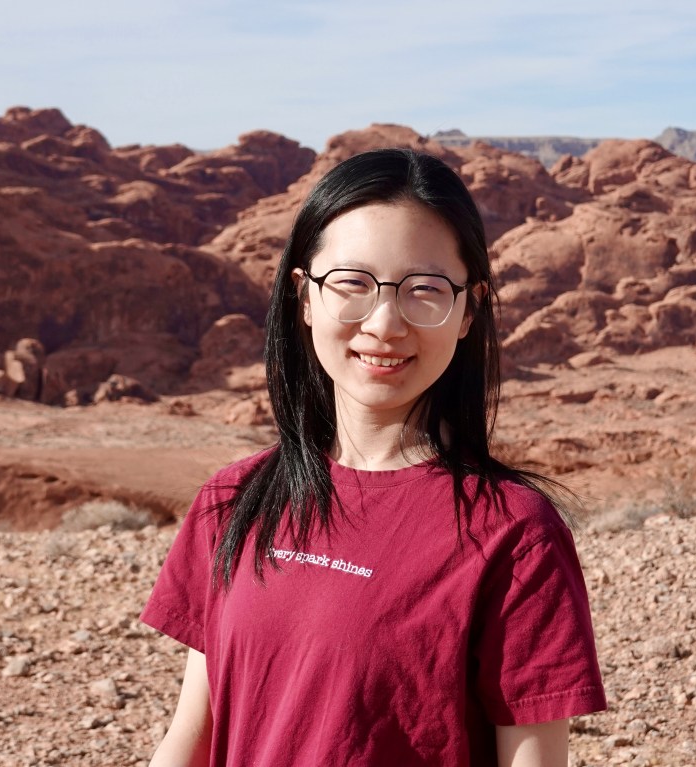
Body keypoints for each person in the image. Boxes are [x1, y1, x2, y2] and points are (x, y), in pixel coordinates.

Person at [141, 148, 606, 766]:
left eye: (425, 290)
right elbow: (191, 738)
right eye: (353, 283)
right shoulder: (234, 500)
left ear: (468, 309)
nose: (385, 324)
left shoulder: (515, 535)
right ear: (304, 297)